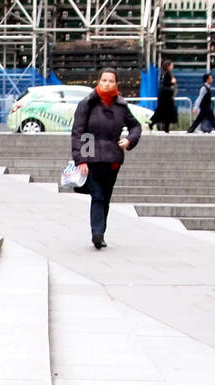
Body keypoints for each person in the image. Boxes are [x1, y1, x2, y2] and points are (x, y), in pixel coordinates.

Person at [72, 67, 142, 250]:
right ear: (98, 81)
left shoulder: (121, 106)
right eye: (104, 80)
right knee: (98, 195)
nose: (107, 84)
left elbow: (136, 127)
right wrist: (81, 159)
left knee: (106, 197)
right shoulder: (87, 103)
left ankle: (101, 232)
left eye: (111, 81)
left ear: (116, 84)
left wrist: (129, 139)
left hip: (113, 159)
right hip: (92, 155)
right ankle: (97, 233)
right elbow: (78, 132)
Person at [151, 60, 178, 133]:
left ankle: (163, 127)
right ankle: (165, 128)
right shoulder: (167, 74)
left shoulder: (164, 74)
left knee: (163, 112)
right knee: (166, 112)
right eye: (171, 65)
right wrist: (172, 82)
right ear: (168, 66)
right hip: (166, 97)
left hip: (165, 97)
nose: (172, 67)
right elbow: (166, 83)